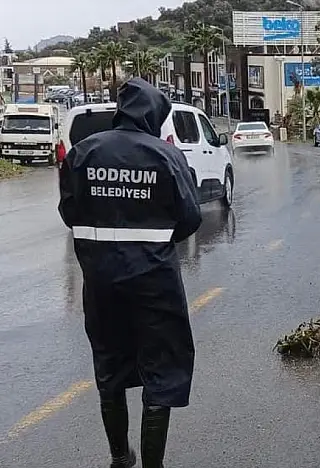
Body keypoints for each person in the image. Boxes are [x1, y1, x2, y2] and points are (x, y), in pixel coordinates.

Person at [58, 78, 202, 468]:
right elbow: (190, 218)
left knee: (110, 364)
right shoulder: (166, 156)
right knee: (162, 368)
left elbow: (69, 214)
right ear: (154, 114)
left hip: (101, 281)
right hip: (154, 281)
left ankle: (120, 457)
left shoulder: (83, 152)